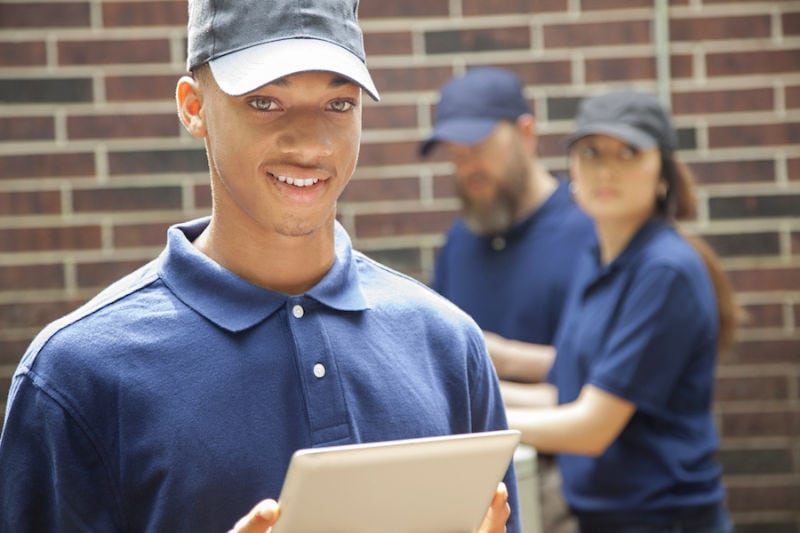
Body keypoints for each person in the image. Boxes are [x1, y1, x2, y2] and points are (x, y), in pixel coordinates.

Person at [0, 1, 519, 532]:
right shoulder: (75, 375)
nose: (312, 144)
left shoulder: (447, 344)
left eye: (338, 104)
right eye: (266, 101)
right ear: (193, 107)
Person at [502, 90, 740, 532]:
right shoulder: (598, 257)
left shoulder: (664, 271)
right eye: (590, 152)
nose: (606, 169)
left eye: (628, 152)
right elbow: (572, 391)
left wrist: (471, 421)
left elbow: (592, 427)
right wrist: (475, 382)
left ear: (662, 173)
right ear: (572, 168)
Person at [420, 67, 595, 532]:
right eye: (455, 156)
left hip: (571, 488)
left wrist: (498, 360)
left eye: (477, 148)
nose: (466, 168)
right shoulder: (461, 242)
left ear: (527, 133)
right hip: (474, 485)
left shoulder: (590, 233)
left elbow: (601, 376)